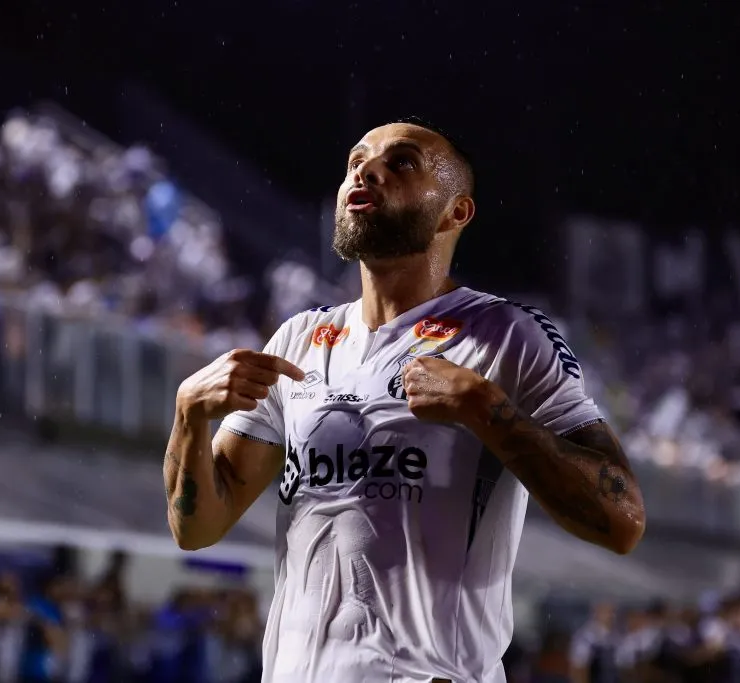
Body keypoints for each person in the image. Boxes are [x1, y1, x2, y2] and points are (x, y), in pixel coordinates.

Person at [162, 120, 647, 683]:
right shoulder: (297, 340)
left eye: (402, 163)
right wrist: (188, 415)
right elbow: (196, 528)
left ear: (455, 213)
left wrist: (488, 411)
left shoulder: (508, 336)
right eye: (356, 162)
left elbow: (623, 521)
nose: (365, 171)